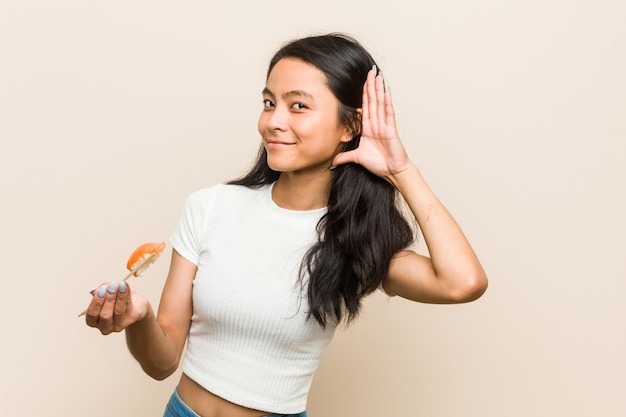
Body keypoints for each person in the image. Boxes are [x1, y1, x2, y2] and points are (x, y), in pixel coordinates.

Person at [84, 32, 488, 417]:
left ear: (350, 126)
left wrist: (401, 170)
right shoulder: (210, 207)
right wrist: (139, 317)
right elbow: (162, 362)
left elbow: (463, 283)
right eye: (268, 102)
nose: (273, 121)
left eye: (298, 106)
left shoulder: (357, 242)